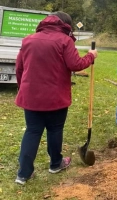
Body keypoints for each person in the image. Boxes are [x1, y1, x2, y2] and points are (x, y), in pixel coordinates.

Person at [14, 12, 98, 185]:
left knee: (32, 131)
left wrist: (23, 89)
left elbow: (19, 68)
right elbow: (76, 64)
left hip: (31, 97)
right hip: (56, 98)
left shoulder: (29, 39)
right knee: (54, 129)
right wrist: (91, 56)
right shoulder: (64, 41)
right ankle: (55, 164)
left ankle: (23, 174)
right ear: (65, 25)